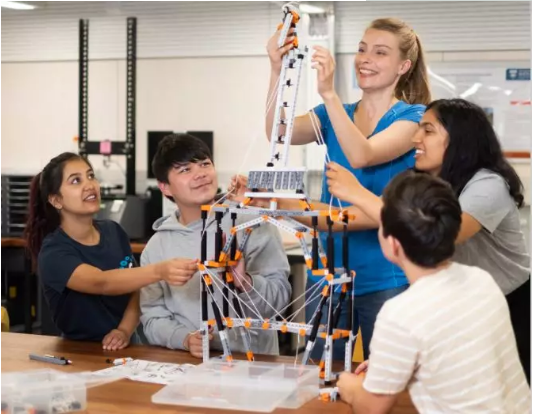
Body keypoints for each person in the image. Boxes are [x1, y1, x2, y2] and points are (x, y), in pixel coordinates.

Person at [327, 98, 531, 382]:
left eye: (428, 130)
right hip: (457, 304)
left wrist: (357, 193)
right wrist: (287, 207)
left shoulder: (488, 185)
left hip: (508, 303)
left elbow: (440, 236)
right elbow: (357, 215)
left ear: (459, 140)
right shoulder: (420, 183)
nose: (415, 138)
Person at [263, 17, 431, 359]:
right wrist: (277, 69)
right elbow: (278, 133)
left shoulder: (413, 117)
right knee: (319, 375)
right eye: (362, 49)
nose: (365, 59)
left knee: (385, 376)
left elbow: (362, 154)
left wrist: (329, 92)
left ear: (404, 66)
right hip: (327, 274)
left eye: (380, 52)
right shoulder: (333, 114)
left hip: (385, 278)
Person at [336, 171, 531, 414]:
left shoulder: (399, 314)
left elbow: (371, 408)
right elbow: (456, 350)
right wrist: (396, 361)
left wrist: (350, 387)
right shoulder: (482, 281)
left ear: (393, 244)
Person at [25, 152, 199, 350]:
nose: (89, 185)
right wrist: (159, 271)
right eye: (76, 181)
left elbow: (135, 288)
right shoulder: (53, 252)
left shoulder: (113, 231)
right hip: (79, 352)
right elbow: (101, 282)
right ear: (56, 200)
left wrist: (124, 330)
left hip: (125, 345)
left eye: (91, 176)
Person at [140, 134, 291, 358]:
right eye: (185, 170)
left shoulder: (252, 222)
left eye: (205, 164)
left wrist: (245, 282)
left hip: (254, 364)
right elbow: (152, 317)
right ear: (165, 188)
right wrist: (184, 339)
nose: (200, 174)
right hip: (189, 364)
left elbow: (280, 300)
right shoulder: (156, 247)